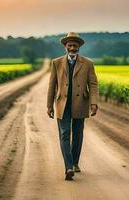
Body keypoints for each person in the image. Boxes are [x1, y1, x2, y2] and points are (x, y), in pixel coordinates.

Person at [46, 32, 99, 181]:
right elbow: (52, 85)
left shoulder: (88, 63)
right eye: (70, 45)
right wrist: (49, 105)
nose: (72, 47)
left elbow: (93, 84)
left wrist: (93, 102)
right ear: (65, 46)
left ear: (79, 47)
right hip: (62, 104)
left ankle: (75, 162)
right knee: (64, 134)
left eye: (75, 45)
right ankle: (68, 167)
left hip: (80, 104)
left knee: (77, 134)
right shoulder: (56, 63)